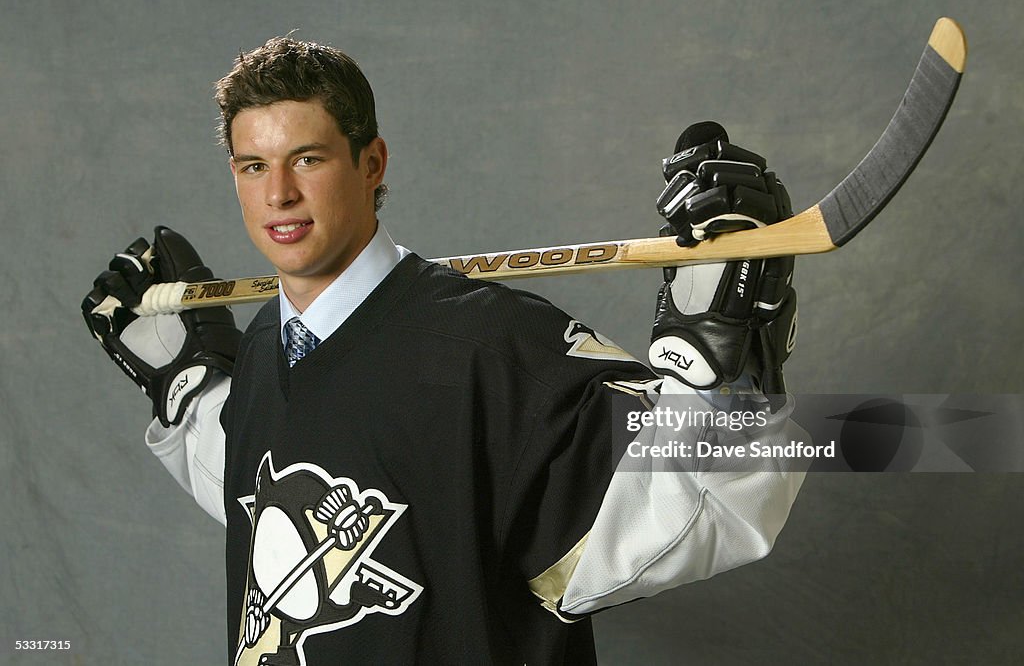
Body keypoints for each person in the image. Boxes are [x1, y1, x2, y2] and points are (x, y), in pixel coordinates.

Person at [82, 37, 805, 665]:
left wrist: (720, 361)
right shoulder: (272, 345)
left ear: (372, 164)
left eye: (307, 159)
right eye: (252, 166)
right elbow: (267, 492)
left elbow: (703, 505)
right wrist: (186, 388)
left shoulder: (493, 347)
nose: (279, 194)